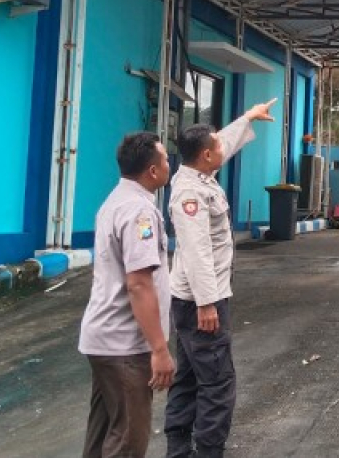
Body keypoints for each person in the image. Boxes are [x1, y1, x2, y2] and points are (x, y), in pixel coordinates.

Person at [164, 98, 277, 458]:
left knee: (188, 377)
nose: (222, 149)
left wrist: (248, 117)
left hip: (193, 300)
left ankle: (178, 450)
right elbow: (196, 252)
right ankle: (208, 451)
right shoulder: (190, 193)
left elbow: (223, 142)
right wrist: (207, 303)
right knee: (217, 383)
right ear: (206, 156)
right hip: (200, 303)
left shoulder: (199, 172)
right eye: (216, 147)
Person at [79, 131, 176, 458]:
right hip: (124, 346)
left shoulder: (115, 202)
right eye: (165, 160)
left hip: (104, 339)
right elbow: (139, 283)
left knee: (103, 434)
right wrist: (159, 349)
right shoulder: (138, 212)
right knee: (128, 443)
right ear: (153, 170)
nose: (169, 165)